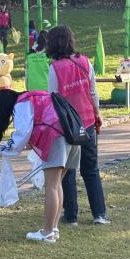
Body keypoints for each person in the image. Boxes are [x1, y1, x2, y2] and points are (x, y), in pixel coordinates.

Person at [0, 89, 80, 243]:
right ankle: (53, 229)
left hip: (55, 137)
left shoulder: (22, 103)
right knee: (56, 184)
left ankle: (47, 233)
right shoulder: (36, 96)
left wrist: (6, 148)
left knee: (51, 186)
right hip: (72, 135)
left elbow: (22, 132)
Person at [46, 25, 109, 225]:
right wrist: (97, 113)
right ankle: (99, 214)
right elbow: (93, 92)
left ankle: (70, 215)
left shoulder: (55, 68)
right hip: (88, 121)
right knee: (91, 169)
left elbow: (53, 98)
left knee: (68, 170)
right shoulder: (85, 62)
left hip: (67, 125)